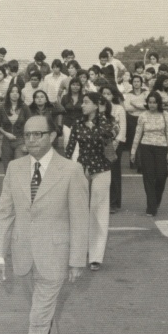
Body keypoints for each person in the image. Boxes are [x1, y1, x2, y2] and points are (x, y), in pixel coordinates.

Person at [0, 114, 89, 334]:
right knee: (44, 314)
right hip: (23, 256)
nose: (31, 140)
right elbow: (4, 213)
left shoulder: (71, 170)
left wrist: (77, 260)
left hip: (55, 256)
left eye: (37, 134)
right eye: (27, 135)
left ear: (52, 136)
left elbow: (80, 218)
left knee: (37, 318)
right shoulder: (14, 168)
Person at [65, 92, 116, 271]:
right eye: (82, 102)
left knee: (98, 211)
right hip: (82, 169)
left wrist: (98, 119)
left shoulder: (106, 121)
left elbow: (107, 136)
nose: (82, 105)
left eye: (86, 102)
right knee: (79, 210)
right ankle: (79, 249)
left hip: (101, 169)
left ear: (96, 105)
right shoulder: (77, 123)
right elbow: (70, 147)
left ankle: (95, 256)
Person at [130, 91, 168, 217]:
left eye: (154, 102)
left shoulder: (165, 115)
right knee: (148, 176)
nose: (152, 105)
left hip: (161, 147)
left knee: (162, 174)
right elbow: (138, 134)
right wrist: (133, 151)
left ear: (159, 103)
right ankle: (151, 207)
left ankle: (156, 199)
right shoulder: (143, 115)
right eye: (150, 102)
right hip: (146, 147)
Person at [101, 84, 127, 212]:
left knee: (114, 172)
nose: (106, 96)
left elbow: (123, 127)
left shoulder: (119, 109)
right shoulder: (99, 108)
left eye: (108, 94)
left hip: (116, 143)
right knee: (102, 172)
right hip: (101, 143)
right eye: (104, 93)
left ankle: (114, 202)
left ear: (113, 95)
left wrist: (116, 142)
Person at [0, 83, 31, 172]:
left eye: (17, 92)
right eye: (12, 92)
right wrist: (5, 134)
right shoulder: (2, 108)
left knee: (19, 168)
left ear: (20, 94)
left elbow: (30, 125)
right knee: (7, 169)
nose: (15, 94)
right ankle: (8, 186)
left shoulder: (24, 107)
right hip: (6, 141)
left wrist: (27, 143)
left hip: (20, 140)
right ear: (8, 94)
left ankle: (18, 186)